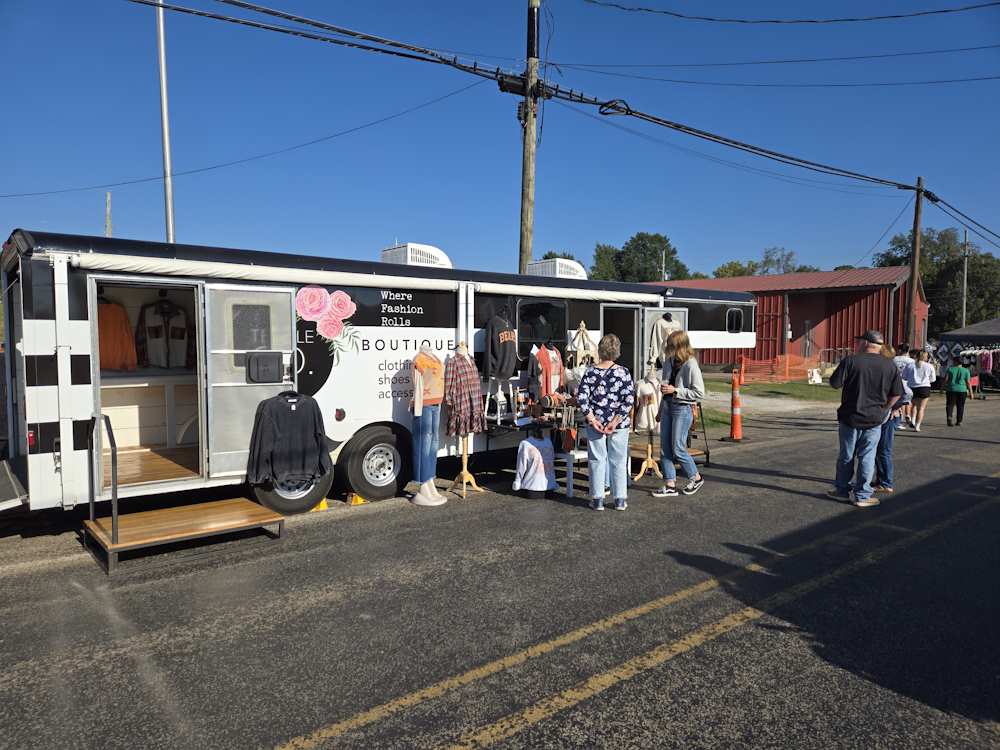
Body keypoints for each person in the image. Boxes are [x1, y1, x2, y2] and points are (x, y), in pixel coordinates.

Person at [828, 330, 903, 508]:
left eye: (859, 341)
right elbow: (897, 393)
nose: (857, 344)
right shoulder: (890, 365)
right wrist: (885, 409)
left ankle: (841, 491)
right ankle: (862, 495)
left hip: (850, 417)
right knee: (867, 457)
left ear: (866, 343)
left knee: (846, 456)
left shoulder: (851, 361)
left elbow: (834, 383)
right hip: (874, 419)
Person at [576, 334, 636, 511]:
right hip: (619, 424)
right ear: (617, 351)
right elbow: (629, 400)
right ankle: (619, 500)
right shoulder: (623, 372)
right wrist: (616, 421)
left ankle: (598, 499)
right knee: (618, 460)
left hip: (596, 422)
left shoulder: (590, 372)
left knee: (596, 459)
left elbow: (582, 398)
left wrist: (592, 419)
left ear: (600, 350)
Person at [652, 330, 706, 498]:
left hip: (682, 408)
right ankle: (670, 483)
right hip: (668, 406)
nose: (669, 349)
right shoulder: (669, 362)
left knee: (678, 447)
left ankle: (695, 477)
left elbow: (699, 393)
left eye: (672, 346)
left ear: (680, 346)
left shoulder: (691, 364)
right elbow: (666, 388)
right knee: (665, 448)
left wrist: (676, 390)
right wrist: (660, 410)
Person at [873, 343, 907, 495]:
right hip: (885, 414)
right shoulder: (888, 369)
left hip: (889, 416)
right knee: (878, 449)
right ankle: (881, 479)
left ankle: (886, 482)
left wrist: (892, 407)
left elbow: (903, 393)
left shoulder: (890, 370)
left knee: (883, 450)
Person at [903, 350, 935, 431]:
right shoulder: (929, 366)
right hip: (924, 387)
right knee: (921, 408)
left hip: (911, 387)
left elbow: (904, 377)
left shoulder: (909, 365)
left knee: (913, 405)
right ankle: (917, 426)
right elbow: (933, 379)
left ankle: (912, 420)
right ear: (926, 357)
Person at [943, 359, 973, 426]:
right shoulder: (966, 370)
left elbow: (946, 380)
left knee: (950, 405)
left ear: (955, 362)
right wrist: (971, 393)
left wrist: (942, 389)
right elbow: (968, 382)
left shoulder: (950, 369)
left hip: (951, 389)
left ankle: (949, 418)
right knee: (960, 406)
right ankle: (959, 421)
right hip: (962, 390)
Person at [892, 343, 915, 428]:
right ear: (907, 351)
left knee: (898, 401)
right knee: (907, 401)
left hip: (896, 382)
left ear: (899, 350)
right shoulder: (911, 361)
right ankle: (908, 415)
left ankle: (900, 420)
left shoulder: (894, 359)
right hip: (907, 383)